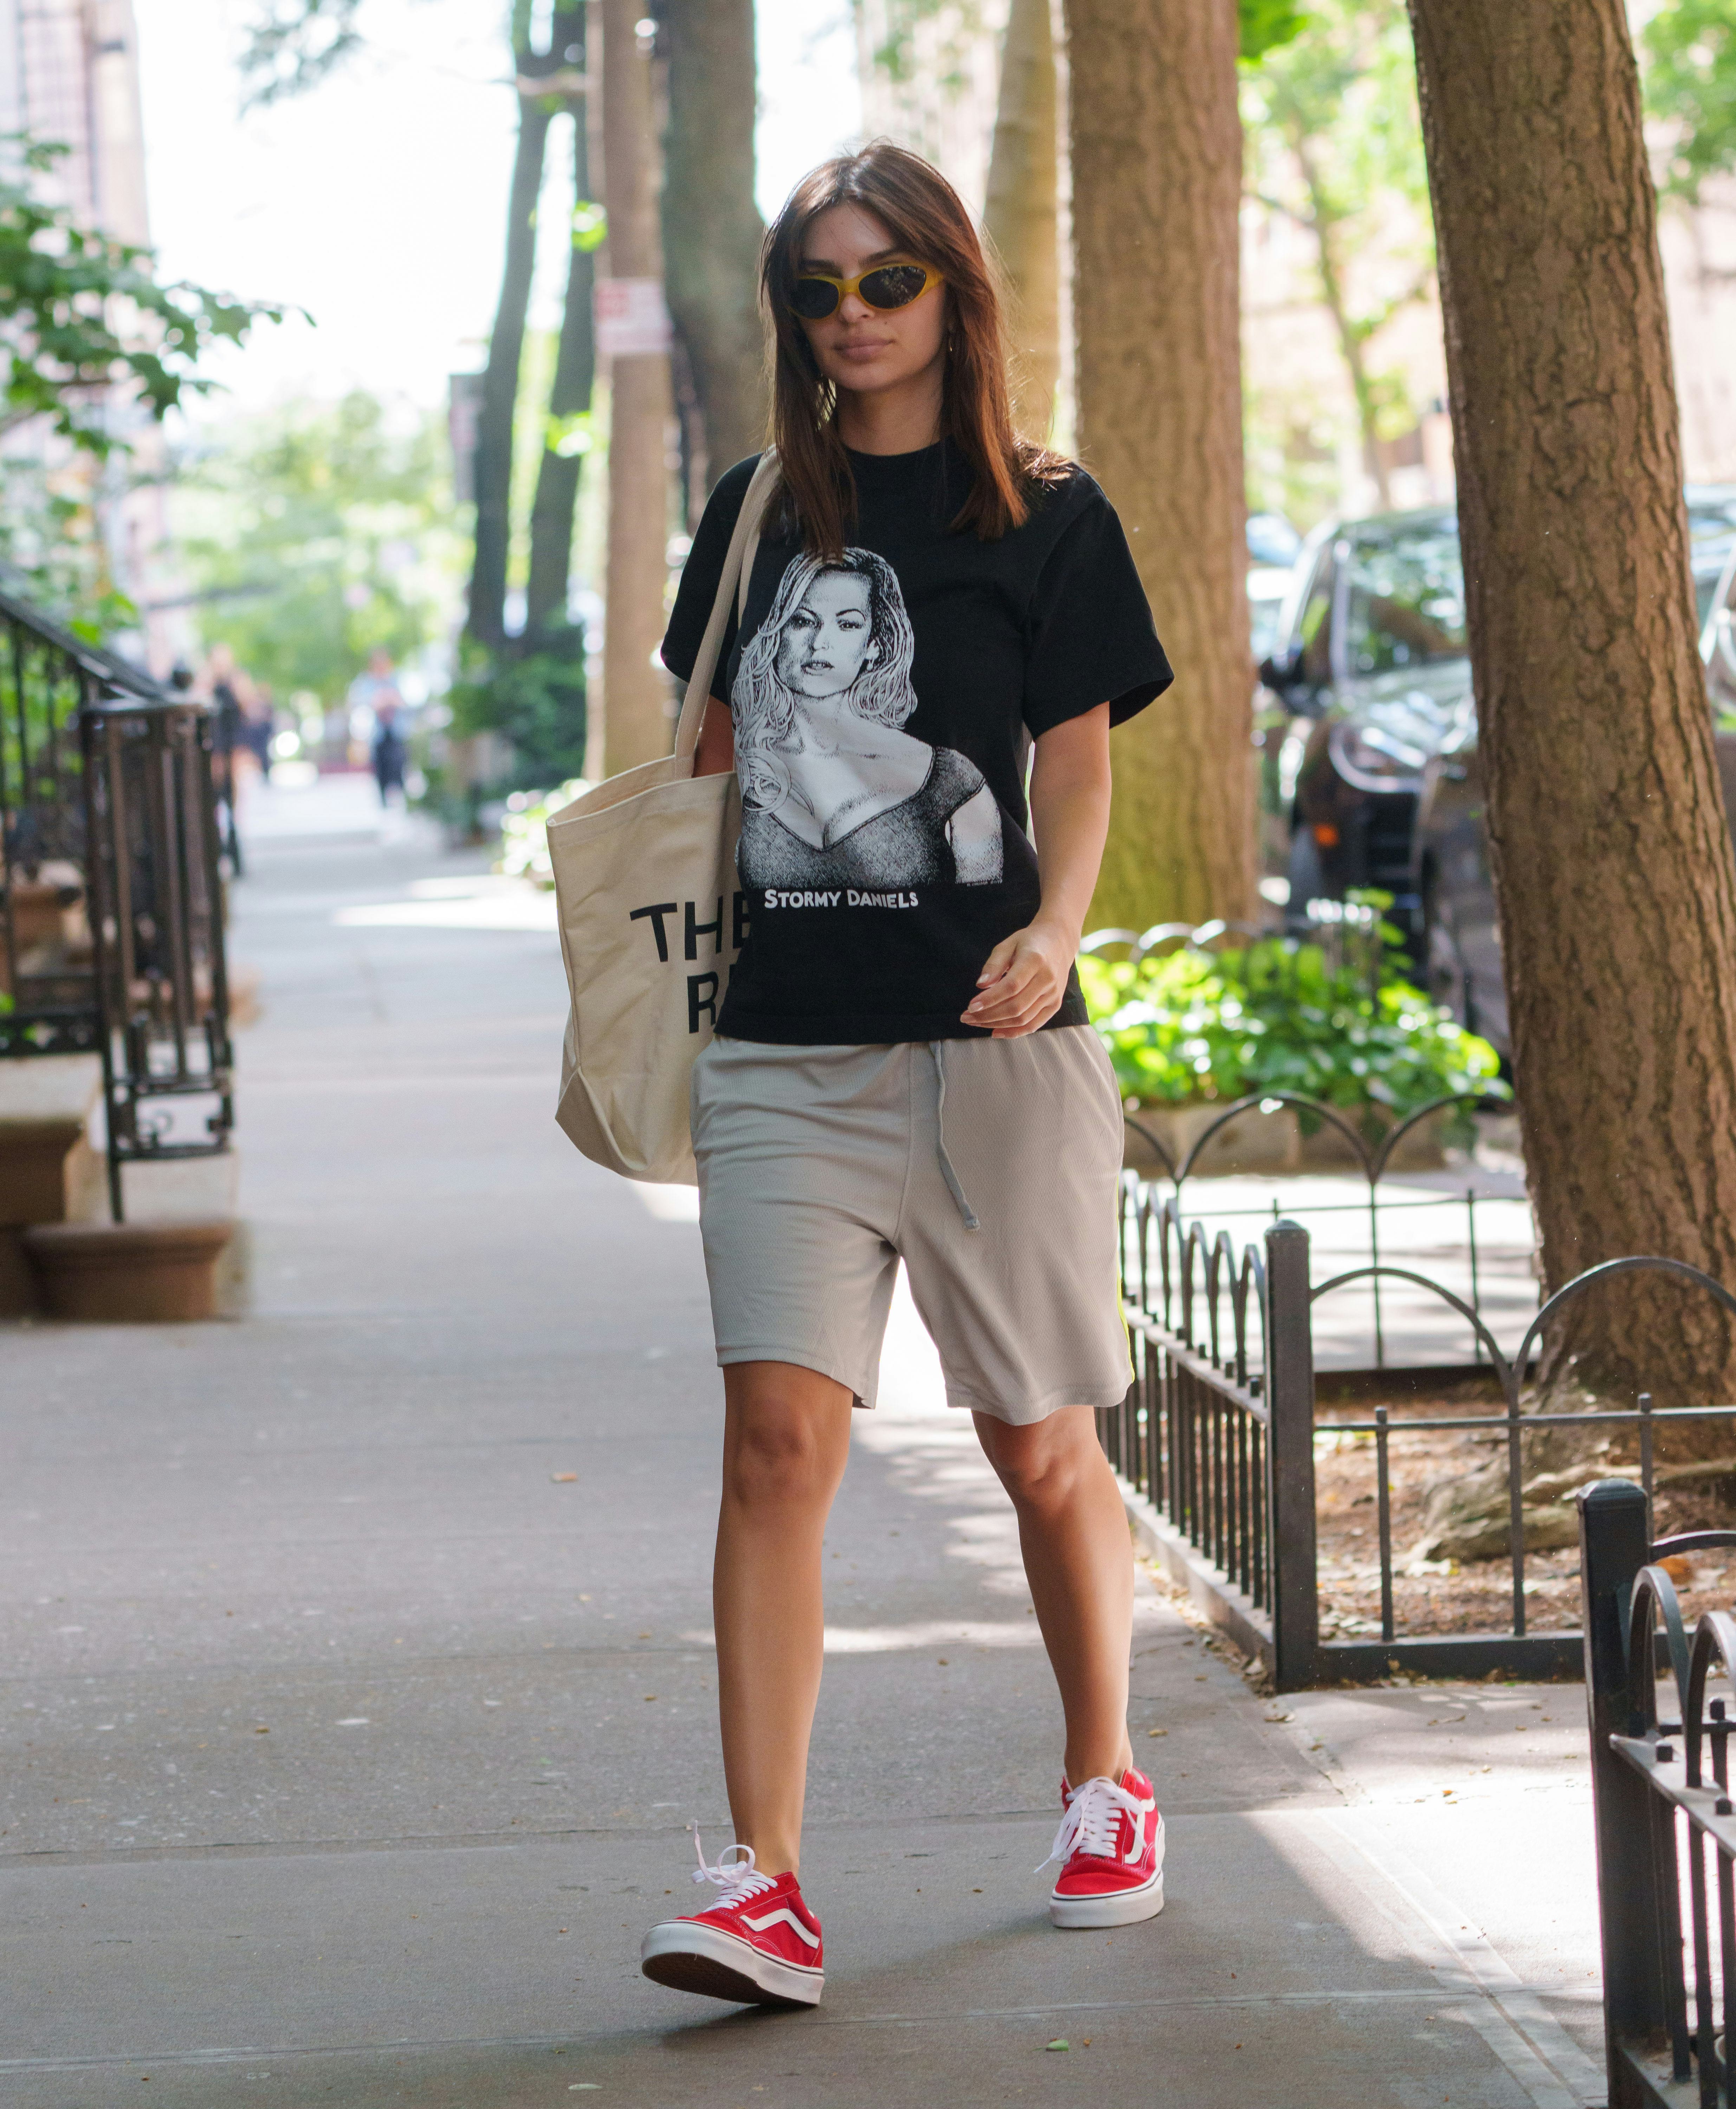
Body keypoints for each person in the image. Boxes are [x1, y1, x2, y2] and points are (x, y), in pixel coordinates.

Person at [639, 141, 1174, 2012]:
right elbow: (704, 756)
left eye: (886, 281)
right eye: (818, 288)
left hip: (992, 1053)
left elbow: (1076, 762)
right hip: (783, 1050)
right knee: (775, 1448)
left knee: (1041, 1445)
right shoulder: (754, 512)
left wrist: (1062, 928)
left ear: (953, 289)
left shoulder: (1043, 511)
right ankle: (764, 1882)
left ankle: (1107, 1783)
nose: (851, 317)